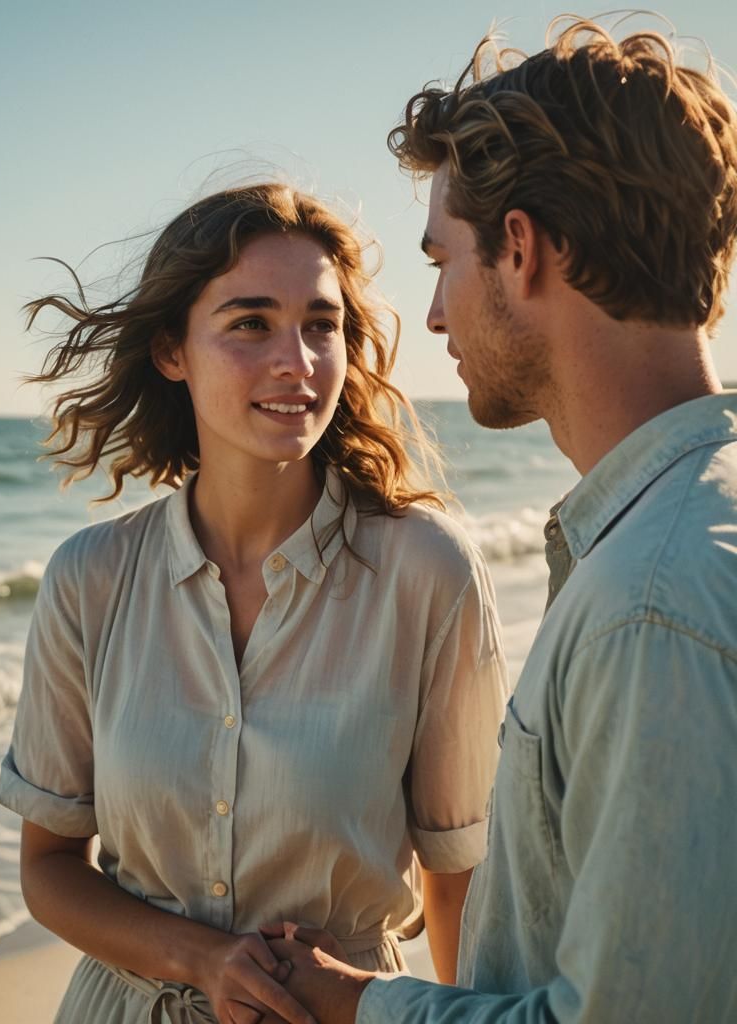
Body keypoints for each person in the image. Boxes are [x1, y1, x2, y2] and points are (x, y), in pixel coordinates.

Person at [259, 15, 737, 1024]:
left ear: (518, 249)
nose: (431, 314)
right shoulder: (682, 529)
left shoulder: (648, 602)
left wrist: (357, 1006)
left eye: (443, 260)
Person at [0, 183, 509, 1023]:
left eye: (321, 324)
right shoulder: (90, 579)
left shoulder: (427, 572)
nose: (297, 361)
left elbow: (460, 885)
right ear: (171, 350)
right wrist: (205, 961)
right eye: (250, 323)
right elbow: (48, 866)